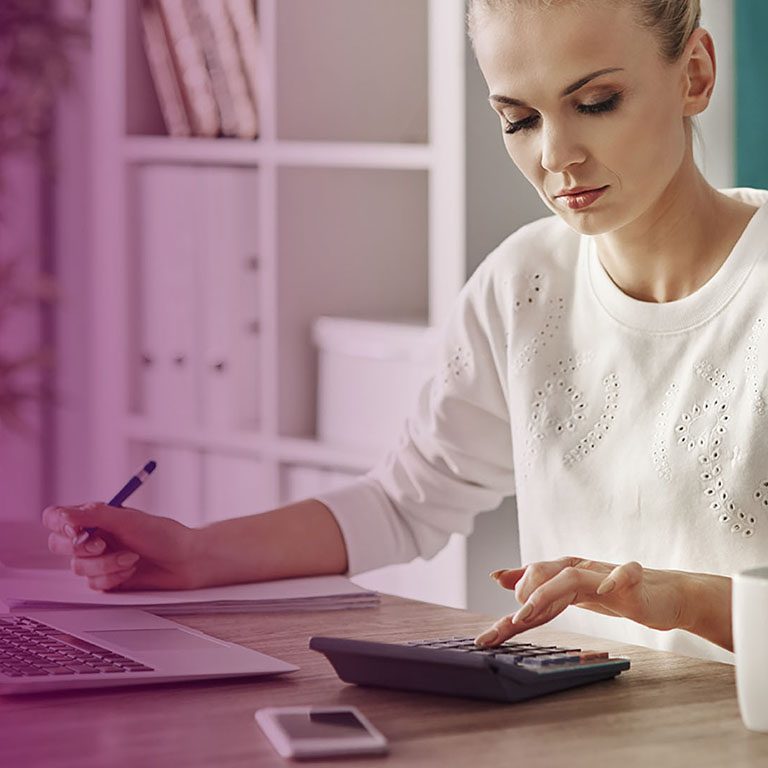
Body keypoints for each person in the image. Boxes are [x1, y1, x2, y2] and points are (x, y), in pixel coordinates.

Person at [43, 0, 766, 663]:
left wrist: (684, 600)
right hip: (577, 735)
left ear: (694, 74)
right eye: (519, 119)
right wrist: (195, 553)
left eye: (597, 103)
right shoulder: (525, 284)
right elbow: (405, 499)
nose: (555, 156)